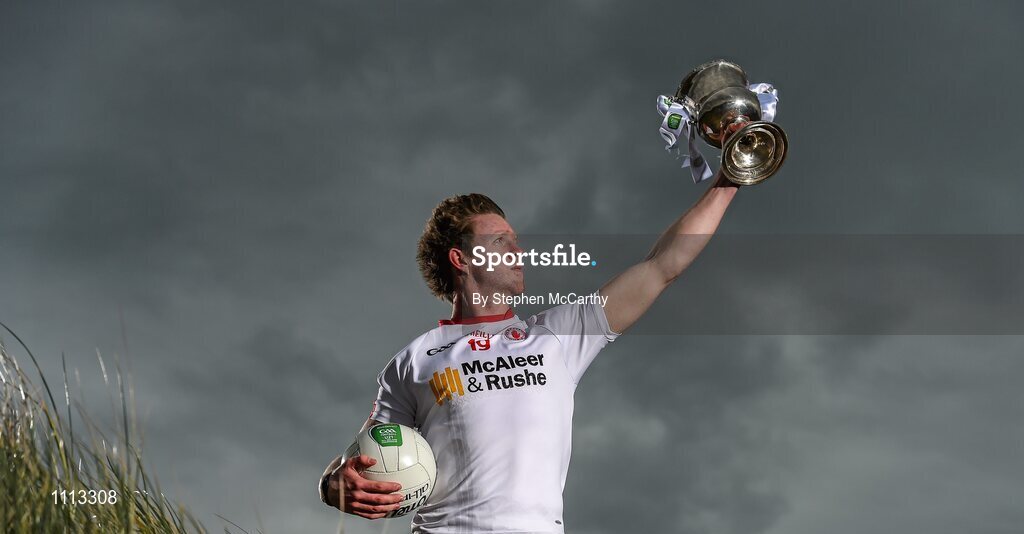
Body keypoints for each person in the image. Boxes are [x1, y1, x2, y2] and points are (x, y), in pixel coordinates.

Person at [319, 170, 739, 532]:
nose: (519, 252)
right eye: (501, 241)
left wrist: (729, 179)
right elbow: (368, 457)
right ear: (460, 259)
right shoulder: (413, 361)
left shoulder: (557, 336)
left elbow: (663, 266)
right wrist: (333, 485)